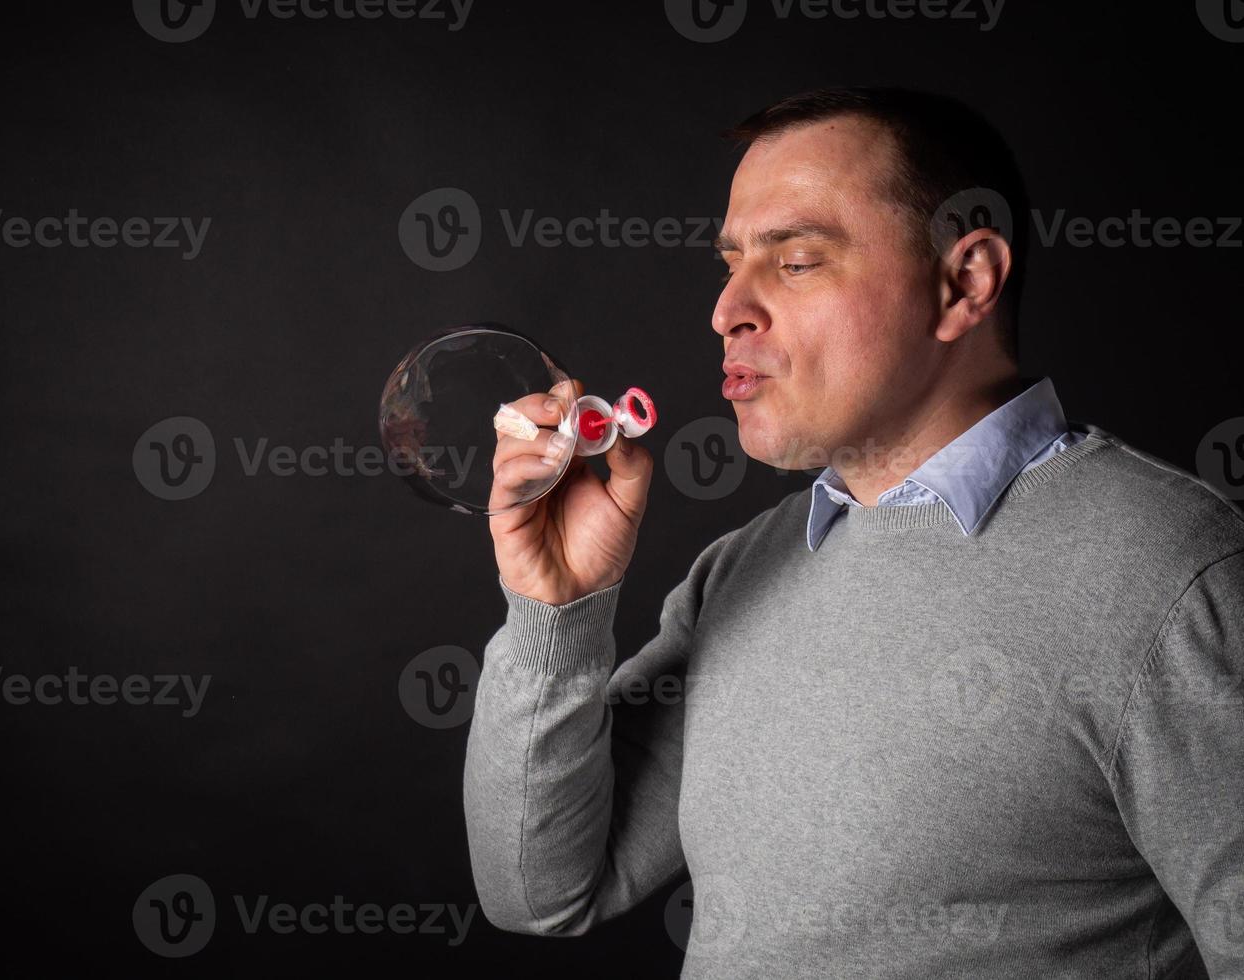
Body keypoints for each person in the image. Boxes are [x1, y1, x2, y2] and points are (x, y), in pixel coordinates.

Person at [463, 86, 1244, 979]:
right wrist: (553, 612)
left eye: (794, 262)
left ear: (965, 281)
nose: (727, 312)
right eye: (730, 264)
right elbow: (539, 892)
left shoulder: (1171, 572)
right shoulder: (744, 568)